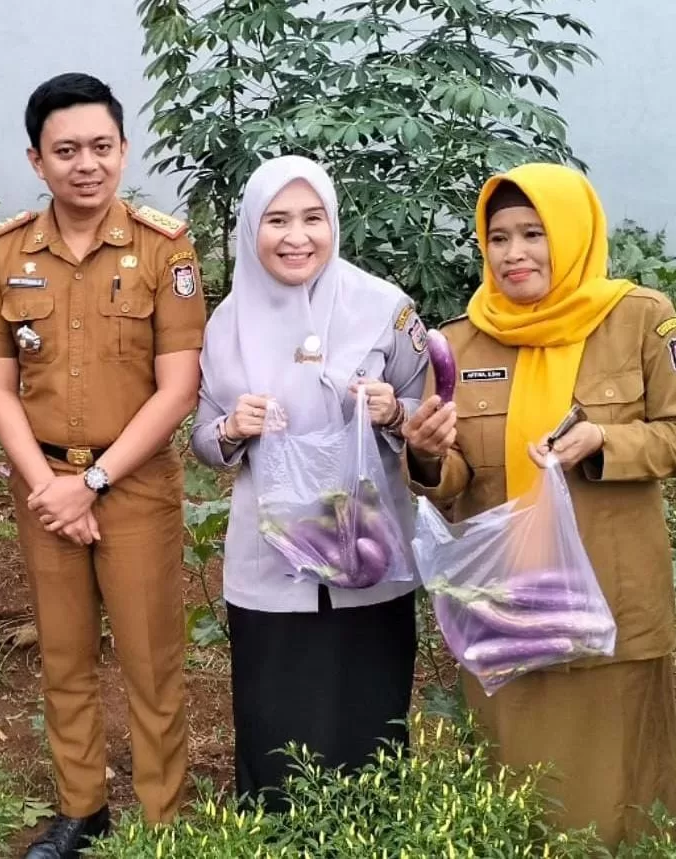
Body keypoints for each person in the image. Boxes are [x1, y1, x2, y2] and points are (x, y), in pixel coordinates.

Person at [402, 162, 676, 847]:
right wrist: (422, 455)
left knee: (619, 804)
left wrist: (603, 439)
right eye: (499, 237)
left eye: (533, 233)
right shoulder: (460, 342)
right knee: (518, 798)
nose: (514, 253)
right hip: (509, 618)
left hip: (612, 611)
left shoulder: (638, 319)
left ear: (571, 233)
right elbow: (452, 478)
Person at [0, 72, 206, 858]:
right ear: (36, 160)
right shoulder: (6, 253)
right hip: (44, 487)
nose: (86, 164)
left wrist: (94, 482)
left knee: (150, 660)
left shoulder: (163, 248)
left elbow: (179, 388)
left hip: (132, 486)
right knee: (65, 656)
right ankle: (82, 808)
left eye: (101, 147)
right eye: (66, 150)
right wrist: (49, 487)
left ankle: (162, 818)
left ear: (123, 149)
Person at [190, 155, 429, 812]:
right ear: (249, 229)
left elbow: (429, 415)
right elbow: (203, 437)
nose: (297, 237)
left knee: (370, 717)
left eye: (312, 218)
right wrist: (233, 427)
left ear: (333, 222)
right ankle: (282, 835)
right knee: (276, 720)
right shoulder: (225, 324)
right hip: (270, 564)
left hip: (369, 552)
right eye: (277, 220)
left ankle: (371, 836)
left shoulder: (384, 307)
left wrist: (393, 411)